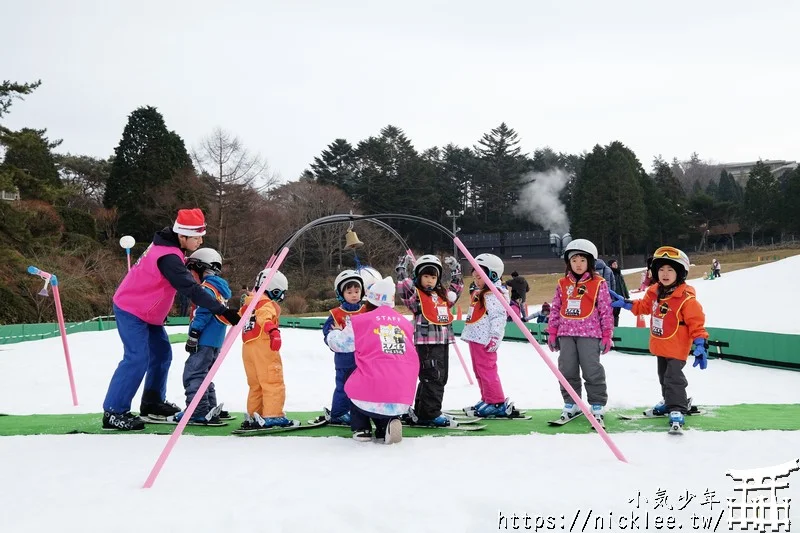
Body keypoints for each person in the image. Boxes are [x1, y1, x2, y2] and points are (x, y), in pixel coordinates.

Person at [102, 208, 241, 431]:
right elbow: (191, 289)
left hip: (148, 314)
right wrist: (221, 310)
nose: (200, 241)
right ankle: (114, 412)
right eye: (196, 237)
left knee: (162, 354)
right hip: (131, 308)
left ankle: (152, 402)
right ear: (182, 236)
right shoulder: (168, 257)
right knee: (137, 358)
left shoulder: (171, 246)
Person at [610, 246, 709, 430]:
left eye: (670, 270)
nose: (665, 273)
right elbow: (643, 307)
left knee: (674, 378)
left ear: (680, 273)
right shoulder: (655, 292)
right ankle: (669, 401)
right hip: (661, 344)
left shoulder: (686, 299)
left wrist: (700, 343)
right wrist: (626, 303)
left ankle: (678, 408)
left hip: (677, 346)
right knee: (663, 377)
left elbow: (696, 322)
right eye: (661, 269)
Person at [326, 277, 420, 444]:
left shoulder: (362, 321)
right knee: (386, 390)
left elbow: (339, 345)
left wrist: (334, 333)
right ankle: (386, 425)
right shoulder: (404, 323)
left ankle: (362, 428)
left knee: (353, 383)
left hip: (372, 390)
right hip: (403, 393)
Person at [547, 239, 614, 427]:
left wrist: (607, 334)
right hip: (566, 333)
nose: (578, 264)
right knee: (567, 369)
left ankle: (597, 403)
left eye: (582, 260)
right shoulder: (562, 283)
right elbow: (555, 308)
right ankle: (571, 402)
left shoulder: (598, 283)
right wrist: (552, 331)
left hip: (590, 334)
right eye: (574, 260)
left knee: (592, 370)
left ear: (590, 263)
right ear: (569, 262)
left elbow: (605, 310)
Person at [395, 253, 463, 427]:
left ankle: (422, 410)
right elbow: (404, 287)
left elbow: (456, 289)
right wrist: (402, 268)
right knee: (433, 377)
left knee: (440, 377)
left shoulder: (441, 296)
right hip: (426, 344)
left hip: (442, 342)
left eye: (433, 277)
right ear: (419, 277)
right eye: (426, 276)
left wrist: (456, 270)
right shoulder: (416, 297)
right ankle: (429, 414)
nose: (430, 281)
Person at [172, 248, 232, 425]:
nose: (190, 275)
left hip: (204, 338)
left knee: (193, 374)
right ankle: (209, 408)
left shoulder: (206, 288)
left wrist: (194, 333)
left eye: (191, 270)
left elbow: (204, 311)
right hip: (215, 340)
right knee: (205, 374)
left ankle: (197, 410)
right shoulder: (219, 287)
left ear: (200, 267)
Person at [461, 254, 517, 417]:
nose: (476, 280)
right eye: (474, 277)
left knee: (487, 370)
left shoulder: (494, 294)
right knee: (479, 370)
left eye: (479, 276)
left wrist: (495, 336)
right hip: (476, 337)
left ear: (492, 275)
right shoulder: (483, 292)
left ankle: (496, 401)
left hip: (485, 339)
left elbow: (499, 316)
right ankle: (487, 398)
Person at [238, 268, 292, 430]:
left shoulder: (250, 303)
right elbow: (265, 317)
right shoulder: (265, 303)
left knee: (256, 384)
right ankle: (273, 415)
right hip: (264, 346)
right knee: (272, 380)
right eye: (280, 293)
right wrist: (273, 331)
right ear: (274, 290)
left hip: (248, 348)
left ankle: (255, 413)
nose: (281, 298)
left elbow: (241, 316)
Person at [319, 269, 368, 425]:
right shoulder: (336, 314)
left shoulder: (367, 311)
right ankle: (338, 413)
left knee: (363, 387)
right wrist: (335, 336)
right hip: (345, 360)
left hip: (365, 358)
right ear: (341, 294)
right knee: (344, 387)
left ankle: (363, 411)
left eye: (357, 291)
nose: (354, 295)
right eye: (349, 292)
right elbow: (327, 335)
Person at [607, 258, 629, 327]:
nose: (616, 265)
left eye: (616, 263)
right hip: (613, 296)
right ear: (610, 266)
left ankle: (616, 326)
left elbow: (623, 285)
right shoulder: (610, 273)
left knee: (617, 313)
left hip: (620, 296)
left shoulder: (619, 273)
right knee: (612, 313)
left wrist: (626, 294)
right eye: (614, 264)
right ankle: (611, 327)